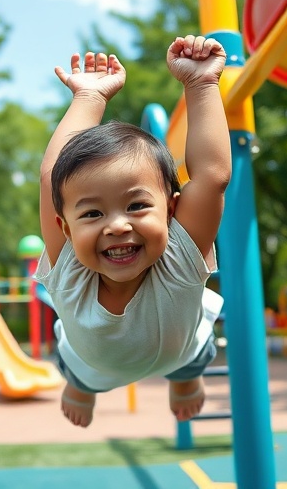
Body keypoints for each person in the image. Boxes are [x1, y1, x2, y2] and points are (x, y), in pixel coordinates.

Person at [35, 34, 231, 428]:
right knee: (78, 371)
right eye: (92, 213)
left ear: (171, 211)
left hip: (181, 354)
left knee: (193, 355)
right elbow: (51, 179)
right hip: (90, 367)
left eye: (137, 206)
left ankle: (185, 381)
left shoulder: (178, 258)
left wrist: (201, 83)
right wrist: (89, 97)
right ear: (65, 230)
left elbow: (211, 177)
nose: (117, 225)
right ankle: (80, 389)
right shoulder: (69, 269)